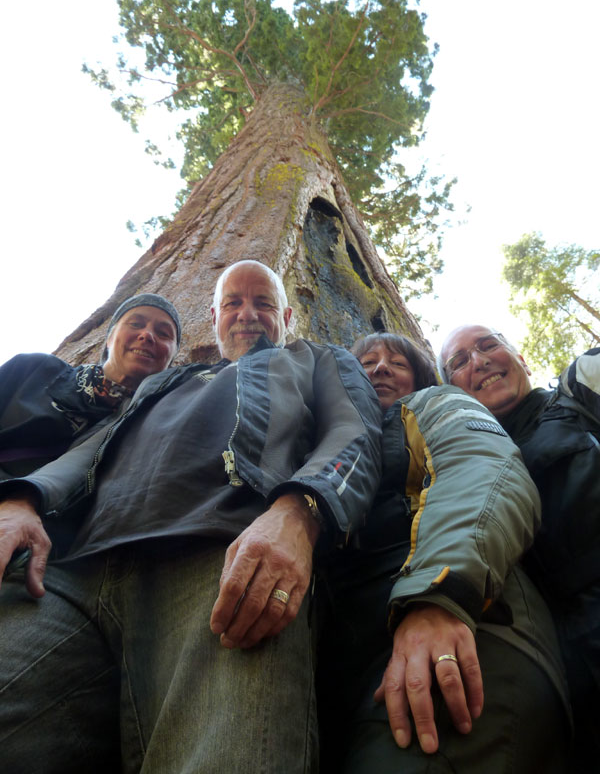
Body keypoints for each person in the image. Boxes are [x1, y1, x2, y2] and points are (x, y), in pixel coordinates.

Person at [0, 260, 381, 774]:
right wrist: (23, 500)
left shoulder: (315, 359)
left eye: (263, 303)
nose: (247, 314)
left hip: (226, 565)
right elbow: (91, 450)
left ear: (287, 315)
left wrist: (299, 513)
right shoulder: (165, 381)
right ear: (215, 317)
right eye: (233, 303)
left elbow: (353, 435)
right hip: (73, 577)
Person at [318, 332, 570, 774]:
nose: (380, 368)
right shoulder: (339, 439)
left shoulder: (435, 404)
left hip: (460, 630)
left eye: (396, 364)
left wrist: (438, 593)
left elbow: (481, 469)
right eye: (368, 361)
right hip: (367, 663)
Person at [439, 325, 600, 769]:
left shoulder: (577, 393)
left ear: (521, 358)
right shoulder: (459, 466)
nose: (479, 360)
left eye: (489, 345)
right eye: (459, 361)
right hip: (563, 669)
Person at [0, 293, 181, 481]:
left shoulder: (151, 425)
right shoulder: (35, 369)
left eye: (163, 334)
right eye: (135, 324)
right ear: (109, 339)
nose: (147, 335)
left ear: (172, 358)